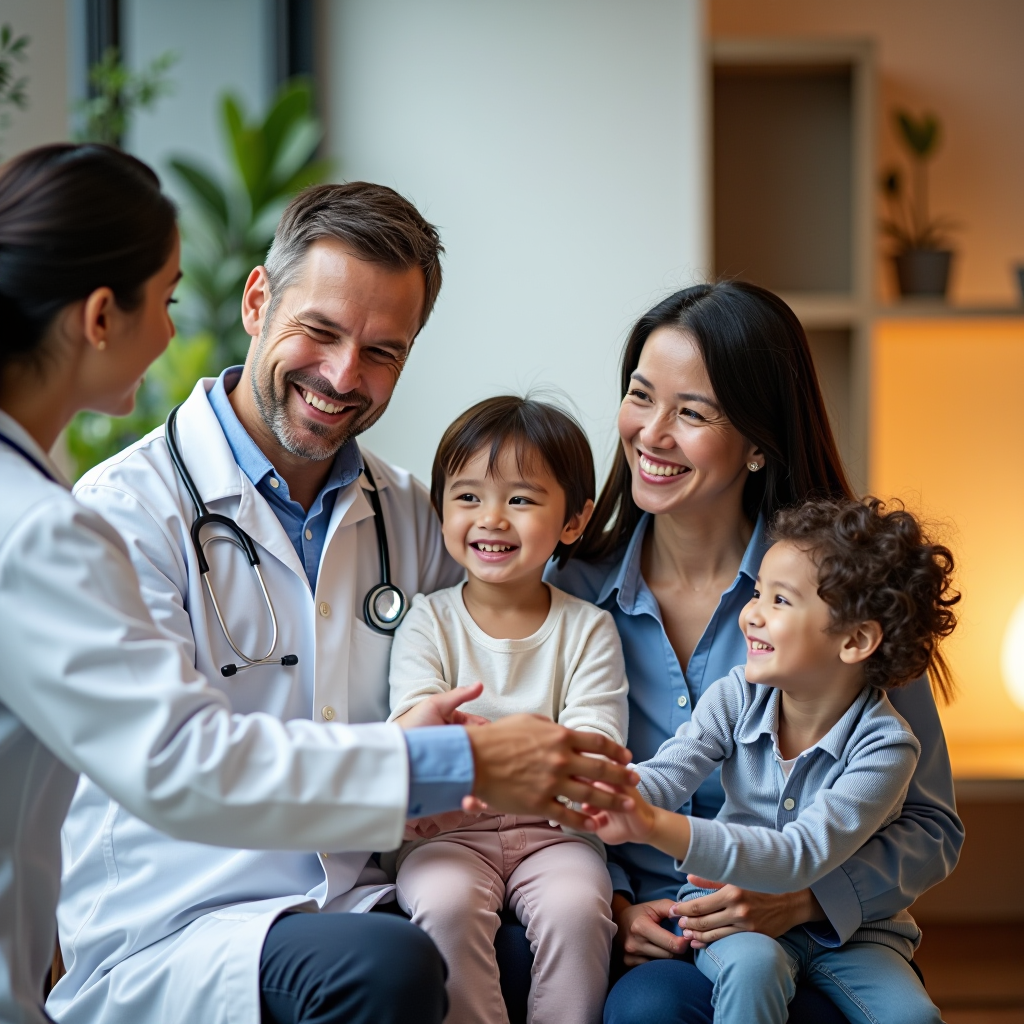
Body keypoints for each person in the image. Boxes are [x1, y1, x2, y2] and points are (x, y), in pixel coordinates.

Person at [0, 143, 637, 1024]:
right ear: (258, 301)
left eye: (382, 351)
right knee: (387, 965)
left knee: (548, 936)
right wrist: (446, 760)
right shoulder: (120, 512)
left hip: (369, 898)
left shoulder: (417, 516)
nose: (343, 378)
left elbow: (553, 612)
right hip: (185, 925)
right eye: (322, 332)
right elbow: (184, 763)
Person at [546, 282, 964, 1024]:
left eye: (693, 412)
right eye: (641, 397)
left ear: (758, 443)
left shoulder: (843, 596)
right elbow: (563, 798)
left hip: (836, 933)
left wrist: (803, 899)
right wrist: (611, 908)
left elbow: (932, 827)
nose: (651, 433)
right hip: (669, 933)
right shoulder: (567, 594)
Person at [586, 496, 958, 1024]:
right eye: (757, 591)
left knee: (912, 1016)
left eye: (779, 601)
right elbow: (670, 771)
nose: (750, 613)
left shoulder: (887, 747)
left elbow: (797, 855)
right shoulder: (735, 696)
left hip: (852, 936)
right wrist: (603, 790)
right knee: (753, 970)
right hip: (730, 921)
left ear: (855, 640)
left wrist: (652, 824)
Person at [388, 396, 628, 1024]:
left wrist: (479, 755)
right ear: (441, 508)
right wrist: (515, 756)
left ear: (573, 521)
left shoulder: (589, 629)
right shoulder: (426, 620)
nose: (491, 519)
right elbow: (414, 737)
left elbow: (594, 745)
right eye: (467, 497)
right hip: (449, 832)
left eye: (521, 500)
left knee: (579, 910)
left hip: (555, 834)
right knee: (442, 907)